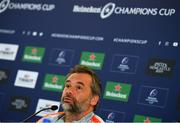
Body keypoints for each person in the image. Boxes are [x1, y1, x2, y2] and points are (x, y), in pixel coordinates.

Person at [37, 65, 104, 123]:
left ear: (93, 99)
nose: (69, 91)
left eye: (79, 87)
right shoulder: (47, 120)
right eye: (68, 86)